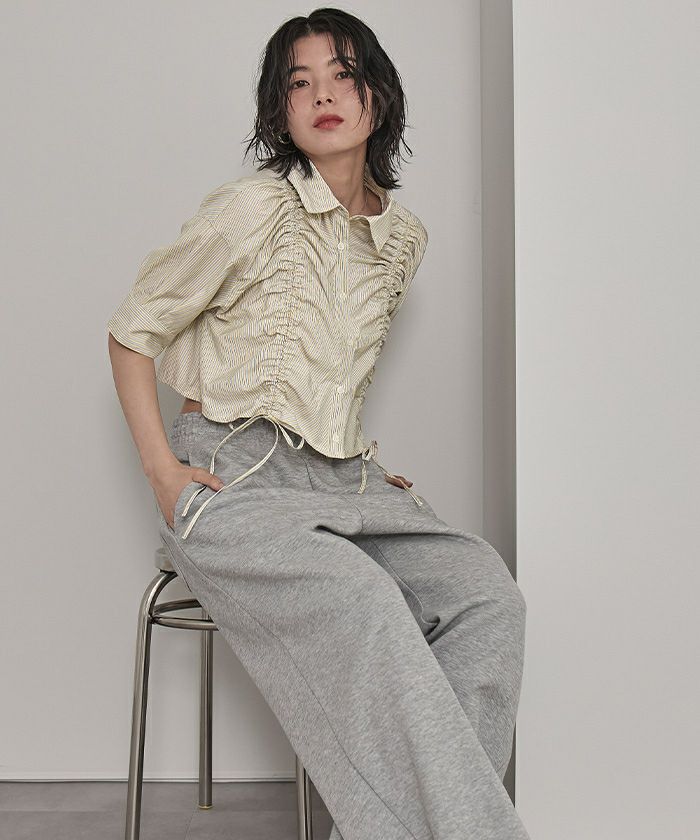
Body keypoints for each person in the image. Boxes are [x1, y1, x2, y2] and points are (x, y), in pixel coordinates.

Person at [107, 8, 530, 840]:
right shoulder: (252, 208)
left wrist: (357, 460)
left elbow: (335, 363)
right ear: (280, 109)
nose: (323, 95)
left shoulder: (404, 238)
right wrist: (163, 473)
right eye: (299, 83)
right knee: (364, 601)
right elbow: (131, 331)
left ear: (379, 95)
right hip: (231, 475)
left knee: (488, 595)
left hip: (344, 476)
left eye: (343, 75)